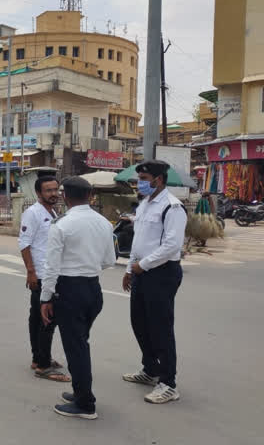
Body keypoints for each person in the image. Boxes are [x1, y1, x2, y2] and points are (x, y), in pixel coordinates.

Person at [40, 176, 115, 420]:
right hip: (93, 289)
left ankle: (85, 403)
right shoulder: (104, 222)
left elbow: (51, 267)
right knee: (80, 343)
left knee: (76, 348)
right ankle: (79, 391)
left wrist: (45, 298)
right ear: (90, 195)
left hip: (69, 290)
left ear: (65, 196)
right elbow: (108, 261)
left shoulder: (61, 225)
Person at [122, 160, 187, 404]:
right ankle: (150, 370)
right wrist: (130, 269)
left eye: (144, 179)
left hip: (162, 274)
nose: (139, 183)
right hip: (141, 272)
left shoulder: (173, 208)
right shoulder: (145, 205)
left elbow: (172, 246)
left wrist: (143, 265)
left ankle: (168, 383)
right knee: (139, 323)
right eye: (139, 179)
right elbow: (139, 241)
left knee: (161, 329)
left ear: (158, 180)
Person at [19, 176, 70, 383]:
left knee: (36, 317)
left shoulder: (53, 212)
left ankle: (38, 357)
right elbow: (24, 244)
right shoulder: (33, 213)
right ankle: (43, 365)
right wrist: (31, 272)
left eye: (55, 189)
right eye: (48, 190)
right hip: (41, 274)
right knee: (47, 318)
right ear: (39, 193)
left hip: (49, 272)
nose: (53, 194)